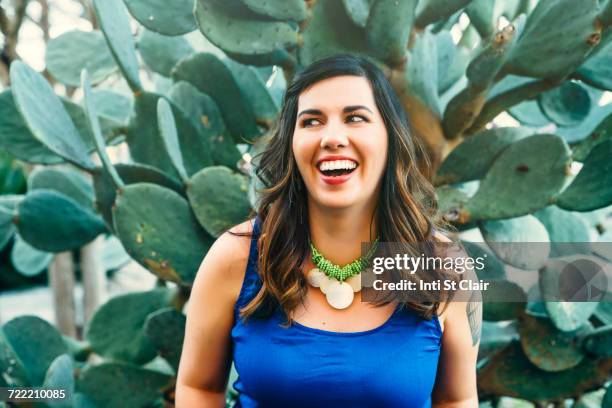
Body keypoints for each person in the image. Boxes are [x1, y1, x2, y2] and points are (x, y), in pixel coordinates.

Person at [176, 53, 482, 407]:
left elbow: (457, 399)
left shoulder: (445, 267)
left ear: (389, 138)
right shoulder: (236, 256)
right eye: (311, 121)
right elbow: (199, 387)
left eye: (355, 118)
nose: (332, 137)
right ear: (291, 144)